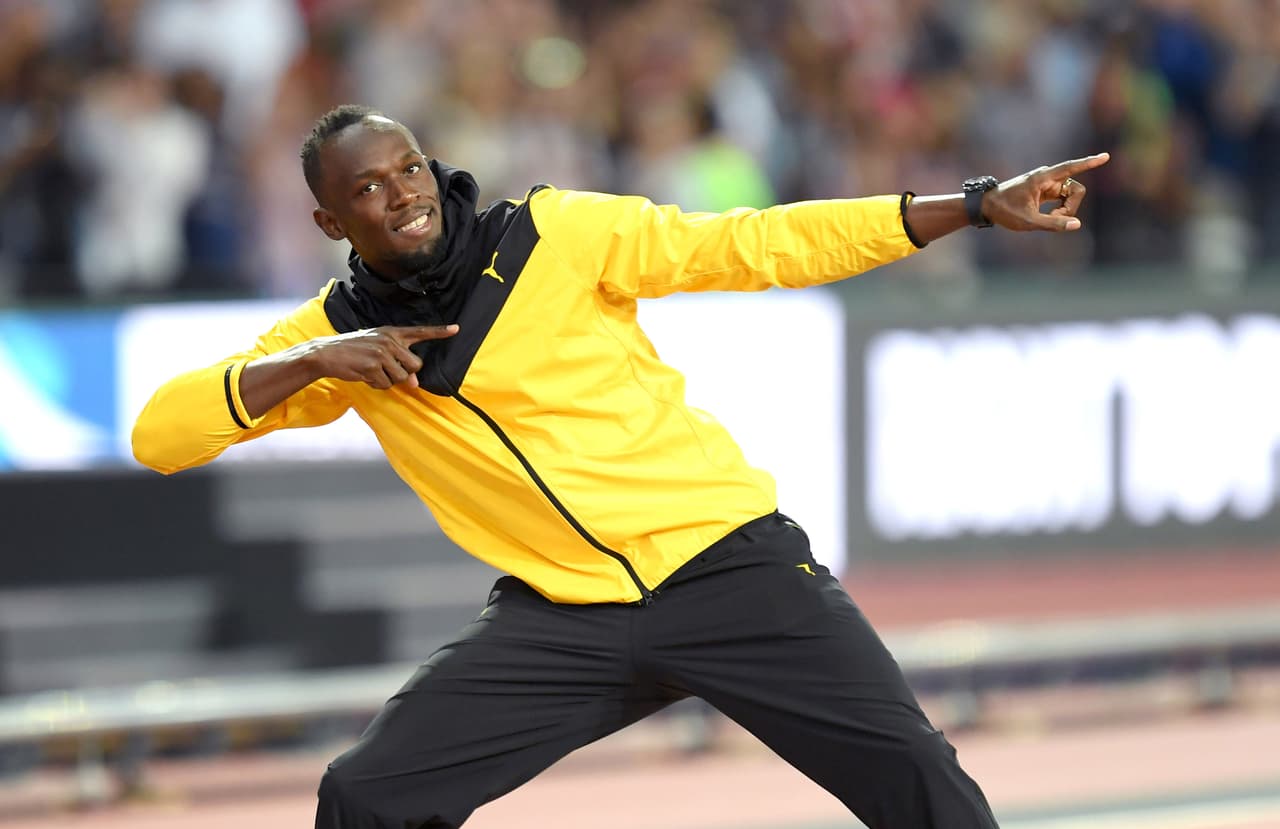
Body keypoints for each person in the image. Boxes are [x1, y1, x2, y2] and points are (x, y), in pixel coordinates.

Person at [131, 104, 1108, 829]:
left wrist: (975, 204)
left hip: (729, 568)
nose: (403, 195)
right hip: (566, 618)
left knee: (918, 783)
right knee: (364, 794)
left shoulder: (555, 233)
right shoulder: (338, 337)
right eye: (368, 190)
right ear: (330, 225)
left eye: (408, 168)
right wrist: (305, 363)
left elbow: (756, 244)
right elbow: (158, 437)